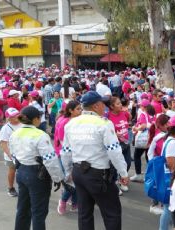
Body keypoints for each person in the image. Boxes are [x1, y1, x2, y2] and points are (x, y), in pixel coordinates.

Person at [60, 91, 129, 230]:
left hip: (79, 171)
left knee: (84, 213)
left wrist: (68, 172)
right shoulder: (104, 123)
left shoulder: (71, 123)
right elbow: (114, 150)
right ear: (96, 106)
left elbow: (65, 152)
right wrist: (123, 173)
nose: (105, 107)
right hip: (98, 174)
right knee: (112, 213)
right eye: (103, 104)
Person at [9, 106, 65, 230]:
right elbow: (50, 159)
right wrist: (57, 178)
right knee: (38, 212)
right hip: (37, 174)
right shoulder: (40, 135)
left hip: (21, 171)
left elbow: (13, 154)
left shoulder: (15, 133)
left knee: (22, 209)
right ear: (35, 119)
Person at [54, 100, 82, 215]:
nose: (81, 111)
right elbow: (63, 143)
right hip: (65, 155)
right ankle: (63, 201)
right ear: (70, 110)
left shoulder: (77, 121)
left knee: (76, 181)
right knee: (70, 180)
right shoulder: (64, 122)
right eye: (78, 109)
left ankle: (75, 202)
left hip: (77, 155)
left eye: (81, 108)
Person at [107, 96, 132, 193]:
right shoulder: (108, 117)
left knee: (128, 163)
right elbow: (107, 130)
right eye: (118, 104)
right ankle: (114, 185)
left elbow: (128, 123)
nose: (121, 105)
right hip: (116, 145)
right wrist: (114, 134)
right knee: (114, 166)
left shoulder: (124, 113)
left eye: (120, 103)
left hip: (125, 142)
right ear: (111, 106)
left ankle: (122, 180)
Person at [147, 114, 170, 215]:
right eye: (166, 124)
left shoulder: (164, 134)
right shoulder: (159, 136)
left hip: (160, 164)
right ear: (160, 125)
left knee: (160, 184)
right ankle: (154, 204)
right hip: (158, 164)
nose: (169, 125)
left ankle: (159, 204)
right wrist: (154, 163)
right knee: (156, 184)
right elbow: (151, 152)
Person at [130, 99, 155, 182]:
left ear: (143, 107)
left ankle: (138, 175)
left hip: (144, 139)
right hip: (151, 138)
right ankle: (152, 175)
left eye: (140, 106)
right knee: (148, 156)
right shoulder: (153, 114)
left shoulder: (143, 114)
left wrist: (136, 128)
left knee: (137, 156)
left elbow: (143, 125)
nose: (140, 107)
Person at [0, 108, 22, 197]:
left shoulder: (23, 124)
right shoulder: (5, 128)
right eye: (13, 116)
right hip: (11, 155)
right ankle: (11, 188)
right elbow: (3, 143)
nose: (16, 116)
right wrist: (10, 155)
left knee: (23, 172)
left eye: (17, 114)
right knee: (12, 170)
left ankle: (24, 189)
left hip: (24, 154)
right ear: (8, 118)